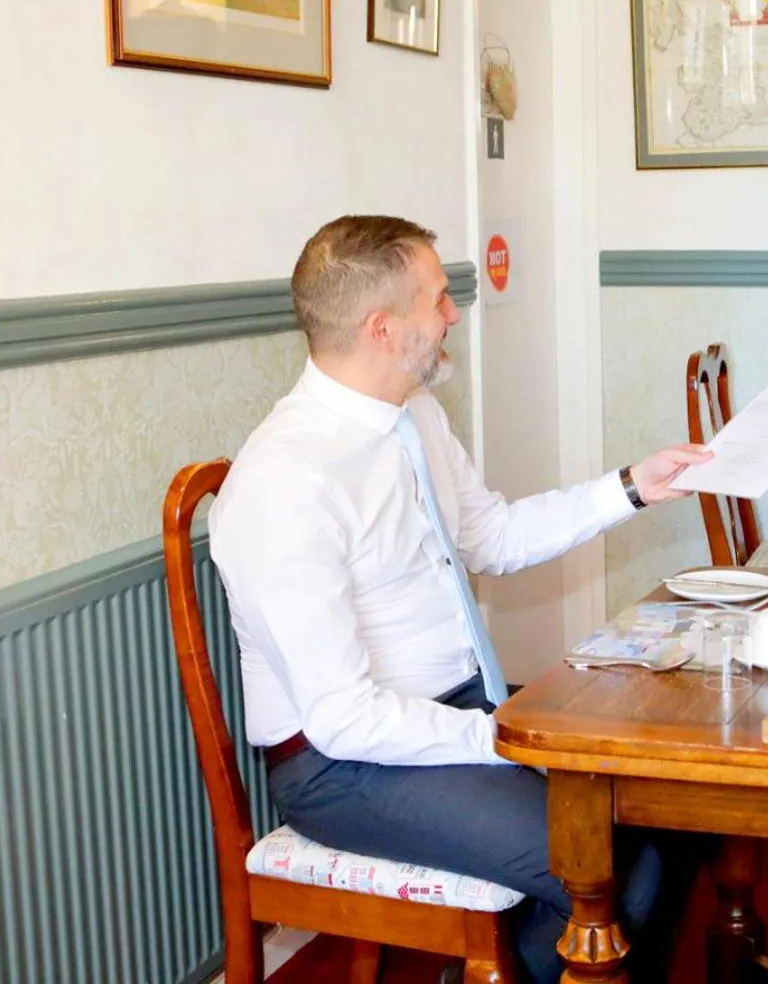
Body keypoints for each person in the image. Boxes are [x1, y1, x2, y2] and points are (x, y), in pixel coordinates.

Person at [209, 215, 712, 983]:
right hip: (344, 767)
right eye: (439, 299)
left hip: (455, 716)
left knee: (676, 807)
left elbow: (494, 537)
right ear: (383, 328)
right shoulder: (285, 483)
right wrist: (506, 741)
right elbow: (343, 719)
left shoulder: (415, 414)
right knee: (615, 872)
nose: (453, 314)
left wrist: (633, 488)